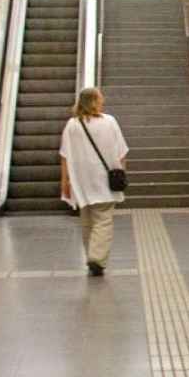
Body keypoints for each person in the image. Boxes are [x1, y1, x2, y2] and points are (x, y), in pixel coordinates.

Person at [60, 87, 129, 276]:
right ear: (94, 101)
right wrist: (121, 171)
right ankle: (96, 258)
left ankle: (91, 254)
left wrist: (65, 181)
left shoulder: (72, 125)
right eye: (100, 98)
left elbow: (65, 155)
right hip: (104, 180)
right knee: (103, 220)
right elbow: (122, 152)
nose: (103, 100)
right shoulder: (110, 122)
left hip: (81, 180)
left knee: (87, 220)